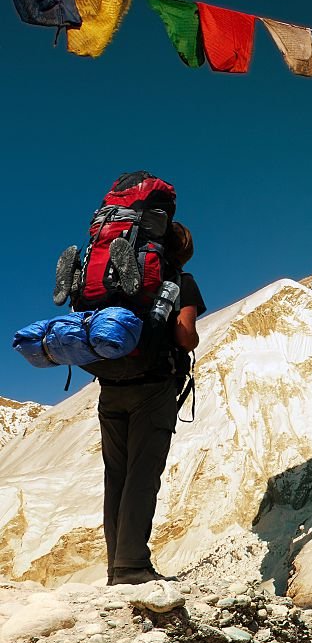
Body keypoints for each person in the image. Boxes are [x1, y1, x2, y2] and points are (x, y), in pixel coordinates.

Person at [101, 221, 206, 585]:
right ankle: (131, 567)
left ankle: (117, 565)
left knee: (116, 476)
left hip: (111, 384)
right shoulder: (181, 280)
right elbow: (185, 335)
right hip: (153, 387)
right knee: (142, 476)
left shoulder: (118, 282)